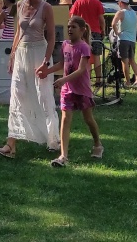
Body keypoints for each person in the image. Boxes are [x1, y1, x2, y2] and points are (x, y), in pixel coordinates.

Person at [0, 0, 58, 160]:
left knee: (43, 96)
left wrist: (46, 62)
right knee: (17, 95)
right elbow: (17, 33)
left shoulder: (46, 8)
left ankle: (53, 138)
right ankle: (10, 144)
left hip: (39, 54)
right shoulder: (19, 5)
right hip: (21, 54)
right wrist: (12, 56)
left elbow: (52, 37)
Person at [38, 15, 103, 167]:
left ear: (82, 30)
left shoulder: (84, 47)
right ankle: (63, 156)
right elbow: (62, 63)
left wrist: (63, 80)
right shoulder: (65, 44)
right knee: (65, 119)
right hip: (67, 90)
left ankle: (98, 144)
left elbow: (81, 70)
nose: (70, 29)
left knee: (88, 119)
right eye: (68, 27)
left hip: (82, 89)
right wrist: (47, 71)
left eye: (73, 27)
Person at [111, 0, 137, 86]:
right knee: (132, 61)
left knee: (124, 61)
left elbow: (113, 24)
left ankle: (127, 82)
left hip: (123, 39)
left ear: (121, 3)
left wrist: (117, 32)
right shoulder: (135, 13)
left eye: (118, 2)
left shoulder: (120, 13)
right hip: (132, 40)